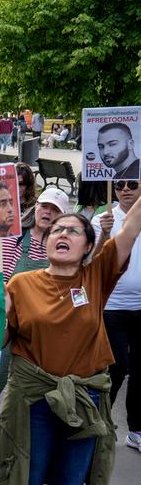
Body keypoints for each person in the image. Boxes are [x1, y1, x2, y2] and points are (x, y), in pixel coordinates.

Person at [0, 202, 141, 485]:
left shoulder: (97, 275)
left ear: (89, 247)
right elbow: (0, 337)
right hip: (33, 404)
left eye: (74, 230)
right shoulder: (21, 284)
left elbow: (133, 224)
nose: (63, 234)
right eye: (57, 229)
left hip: (83, 404)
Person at [95, 180, 141, 451]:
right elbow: (90, 262)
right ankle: (100, 421)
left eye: (132, 184)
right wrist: (103, 233)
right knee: (116, 367)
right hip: (112, 306)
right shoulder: (105, 217)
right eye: (120, 184)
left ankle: (135, 428)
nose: (125, 188)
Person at [0, 187, 69, 283]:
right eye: (44, 206)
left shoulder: (63, 246)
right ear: (36, 206)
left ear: (63, 216)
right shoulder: (13, 235)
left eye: (55, 209)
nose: (48, 212)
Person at [16, 163, 38, 230]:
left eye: (21, 184)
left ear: (28, 185)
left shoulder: (36, 206)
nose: (17, 187)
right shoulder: (1, 205)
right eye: (14, 183)